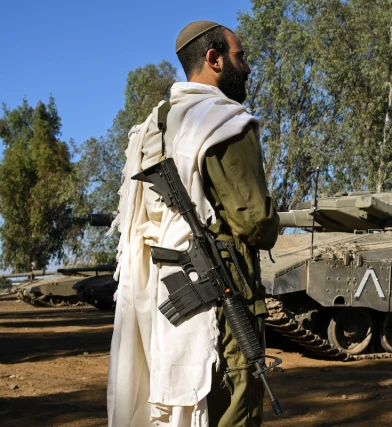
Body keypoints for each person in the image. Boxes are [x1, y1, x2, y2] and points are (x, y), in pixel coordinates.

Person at [107, 21, 279, 427]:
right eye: (240, 57)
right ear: (214, 59)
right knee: (233, 404)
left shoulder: (154, 125)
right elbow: (255, 223)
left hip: (158, 290)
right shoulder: (223, 122)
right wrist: (273, 220)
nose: (247, 67)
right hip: (221, 293)